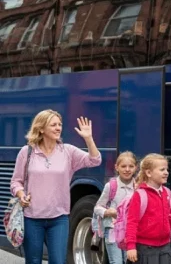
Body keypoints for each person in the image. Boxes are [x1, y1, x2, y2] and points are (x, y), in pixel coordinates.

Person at [10, 110, 102, 264]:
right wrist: (21, 195)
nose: (58, 128)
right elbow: (16, 182)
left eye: (60, 124)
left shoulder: (68, 151)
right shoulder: (27, 152)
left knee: (58, 261)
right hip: (32, 218)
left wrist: (89, 139)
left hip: (59, 218)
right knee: (33, 261)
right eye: (53, 125)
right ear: (41, 128)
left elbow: (95, 160)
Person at [125, 154, 171, 264]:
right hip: (145, 248)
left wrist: (169, 232)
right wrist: (131, 246)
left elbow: (170, 215)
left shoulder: (167, 193)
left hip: (165, 247)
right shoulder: (140, 195)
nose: (166, 172)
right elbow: (132, 222)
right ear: (148, 173)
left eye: (167, 169)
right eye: (162, 169)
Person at [93, 152, 138, 264]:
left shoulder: (138, 186)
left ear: (136, 168)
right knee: (116, 261)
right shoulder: (111, 186)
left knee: (129, 260)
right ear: (116, 167)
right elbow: (97, 207)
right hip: (112, 229)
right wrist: (108, 212)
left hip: (130, 231)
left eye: (131, 166)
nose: (127, 169)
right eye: (123, 166)